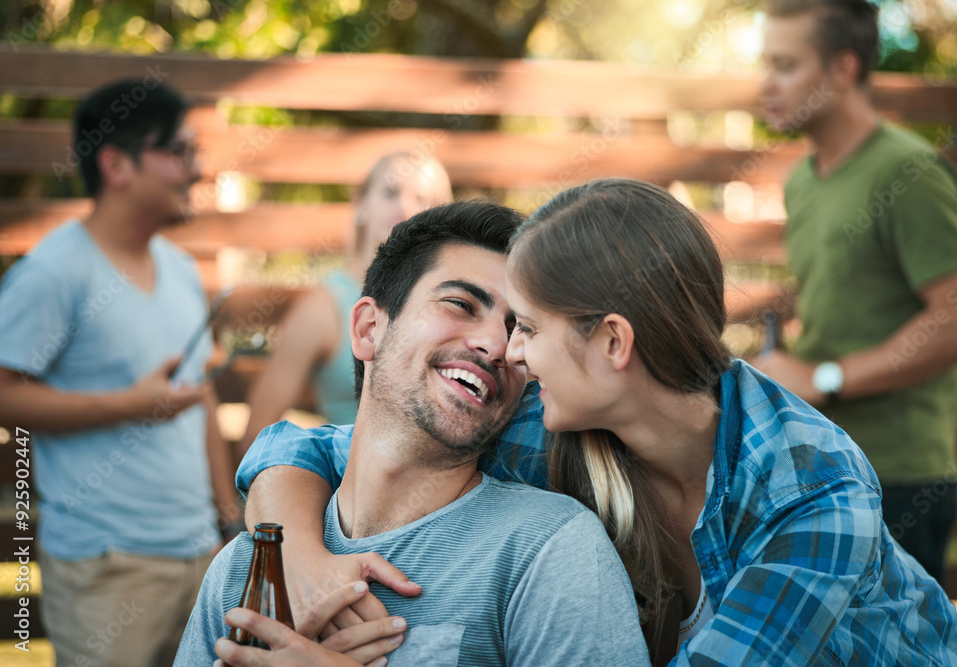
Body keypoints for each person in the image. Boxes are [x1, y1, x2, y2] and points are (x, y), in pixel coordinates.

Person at [233, 179, 957, 665]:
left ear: (613, 342)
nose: (508, 351)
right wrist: (295, 550)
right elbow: (314, 444)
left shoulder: (814, 490)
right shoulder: (556, 423)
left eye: (527, 325)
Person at [176, 200, 651, 666]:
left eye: (519, 328)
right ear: (368, 329)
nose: (498, 346)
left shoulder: (550, 551)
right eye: (461, 304)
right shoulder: (250, 568)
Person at [751, 0, 957, 584]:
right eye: (766, 64)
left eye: (785, 65)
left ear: (842, 68)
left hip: (900, 479)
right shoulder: (803, 182)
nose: (766, 83)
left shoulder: (908, 173)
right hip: (824, 469)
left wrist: (826, 378)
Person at [0, 80, 237, 666]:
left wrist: (228, 518)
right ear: (116, 164)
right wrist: (131, 404)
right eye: (180, 152)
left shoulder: (180, 270)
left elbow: (195, 394)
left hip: (201, 557)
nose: (196, 170)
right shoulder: (54, 272)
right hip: (108, 569)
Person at [236, 151, 452, 458]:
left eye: (422, 199)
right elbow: (256, 436)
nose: (404, 207)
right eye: (390, 193)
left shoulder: (454, 308)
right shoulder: (324, 308)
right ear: (360, 205)